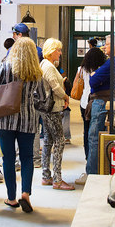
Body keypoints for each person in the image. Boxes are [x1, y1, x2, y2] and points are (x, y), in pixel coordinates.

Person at [0, 38, 45, 212]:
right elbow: (42, 97)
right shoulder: (36, 72)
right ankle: (26, 194)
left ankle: (11, 198)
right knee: (27, 157)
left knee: (8, 158)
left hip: (5, 119)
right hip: (28, 120)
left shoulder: (6, 67)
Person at [86, 34, 115, 175]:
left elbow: (93, 81)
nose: (104, 47)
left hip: (102, 102)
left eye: (107, 44)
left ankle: (92, 174)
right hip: (108, 100)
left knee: (94, 138)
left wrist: (95, 74)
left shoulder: (112, 62)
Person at [40, 38, 74, 191]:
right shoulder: (48, 66)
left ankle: (46, 176)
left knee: (48, 141)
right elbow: (56, 88)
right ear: (51, 50)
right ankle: (57, 179)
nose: (60, 53)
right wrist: (66, 97)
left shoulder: (46, 65)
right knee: (59, 142)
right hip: (52, 109)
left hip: (48, 108)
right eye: (58, 50)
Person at [74, 40, 106, 185]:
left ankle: (88, 157)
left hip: (83, 102)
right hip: (94, 101)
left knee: (87, 132)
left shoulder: (82, 69)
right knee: (95, 133)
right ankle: (95, 160)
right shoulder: (100, 70)